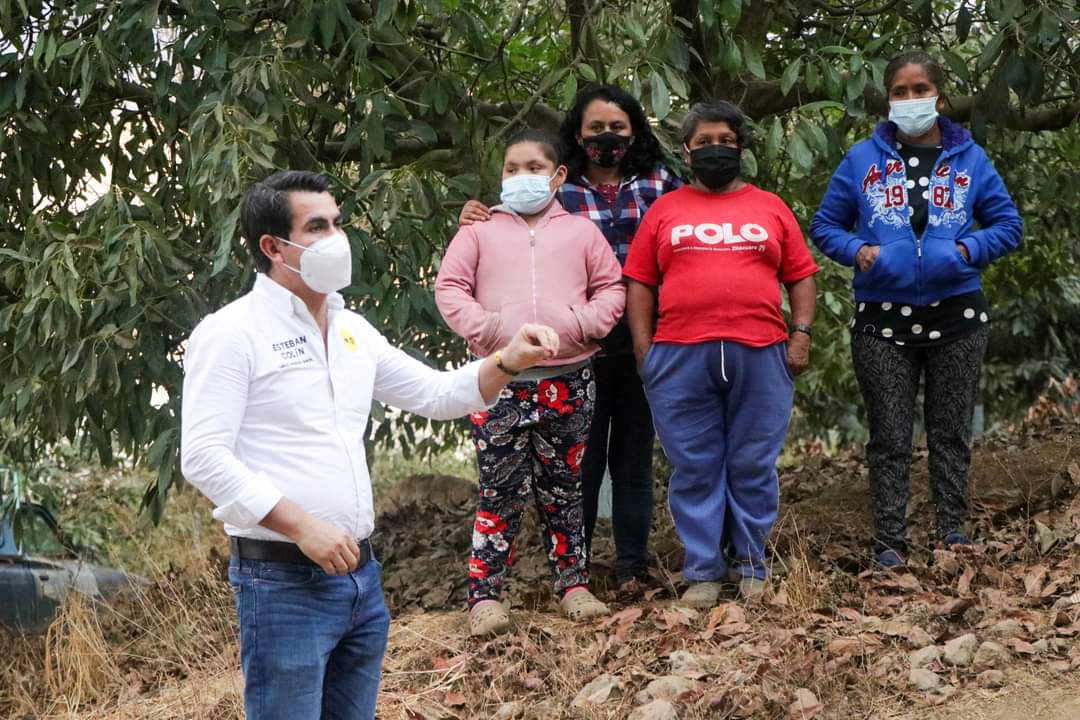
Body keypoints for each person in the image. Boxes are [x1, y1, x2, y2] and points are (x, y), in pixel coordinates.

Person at [180, 170, 561, 720]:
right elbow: (203, 456)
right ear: (273, 247)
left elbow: (436, 394)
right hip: (282, 583)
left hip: (360, 578)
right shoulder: (231, 333)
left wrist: (507, 360)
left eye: (337, 223)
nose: (337, 238)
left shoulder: (351, 329)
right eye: (316, 227)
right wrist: (303, 527)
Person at [460, 84, 682, 594]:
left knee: (633, 459)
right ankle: (573, 576)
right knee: (581, 465)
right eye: (595, 128)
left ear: (635, 131)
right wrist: (474, 215)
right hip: (572, 350)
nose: (607, 137)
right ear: (577, 137)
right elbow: (511, 231)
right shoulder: (557, 190)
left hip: (645, 337)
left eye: (617, 127)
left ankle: (631, 567)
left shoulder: (660, 182)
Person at [810, 51, 1022, 568]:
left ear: (940, 97)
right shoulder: (861, 159)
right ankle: (889, 543)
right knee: (889, 436)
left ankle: (953, 532)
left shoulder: (971, 158)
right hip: (881, 319)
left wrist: (968, 249)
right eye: (900, 91)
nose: (910, 99)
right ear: (888, 100)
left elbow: (1008, 225)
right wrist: (858, 251)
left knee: (951, 432)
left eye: (920, 89)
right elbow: (825, 225)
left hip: (958, 315)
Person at [623, 99, 819, 605]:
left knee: (753, 463)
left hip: (762, 350)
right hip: (680, 354)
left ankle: (751, 563)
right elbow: (640, 281)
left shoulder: (770, 207)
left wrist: (800, 334)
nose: (716, 149)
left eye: (726, 141)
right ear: (687, 152)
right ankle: (704, 570)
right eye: (704, 142)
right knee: (695, 465)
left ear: (741, 148)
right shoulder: (665, 210)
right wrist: (644, 348)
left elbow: (800, 275)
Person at [436, 129, 625, 636]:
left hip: (569, 379)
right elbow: (450, 288)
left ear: (558, 175)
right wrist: (493, 331)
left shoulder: (582, 233)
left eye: (534, 168)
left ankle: (574, 586)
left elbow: (611, 288)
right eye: (512, 169)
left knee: (565, 487)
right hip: (499, 380)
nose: (522, 176)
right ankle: (485, 597)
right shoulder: (478, 232)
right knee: (499, 489)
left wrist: (580, 325)